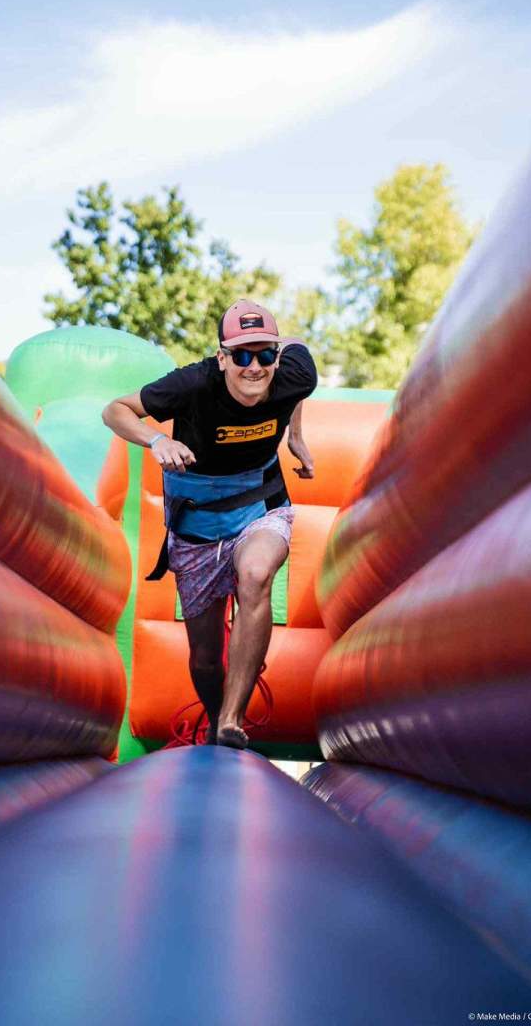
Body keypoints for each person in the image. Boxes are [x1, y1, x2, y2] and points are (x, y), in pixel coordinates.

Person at [102, 299, 317, 749]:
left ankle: (232, 720)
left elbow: (297, 352)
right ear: (222, 358)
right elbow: (115, 410)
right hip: (198, 526)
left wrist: (295, 435)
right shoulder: (192, 384)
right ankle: (217, 722)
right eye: (241, 356)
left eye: (265, 354)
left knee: (256, 572)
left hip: (261, 507)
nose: (254, 367)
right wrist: (156, 439)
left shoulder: (294, 374)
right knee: (203, 657)